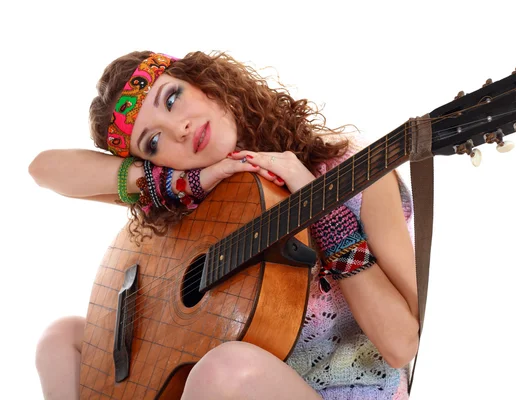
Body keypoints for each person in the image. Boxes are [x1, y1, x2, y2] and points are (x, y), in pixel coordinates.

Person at [29, 51, 419, 400]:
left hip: (341, 392)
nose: (178, 128)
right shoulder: (181, 197)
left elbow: (402, 344)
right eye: (152, 141)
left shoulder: (350, 171)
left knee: (224, 370)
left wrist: (324, 210)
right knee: (61, 336)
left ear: (206, 85)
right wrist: (183, 181)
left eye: (172, 98)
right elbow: (43, 170)